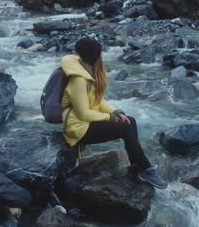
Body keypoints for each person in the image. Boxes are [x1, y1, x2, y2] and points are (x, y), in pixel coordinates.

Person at [60, 37, 168, 189]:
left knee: (129, 121)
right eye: (100, 53)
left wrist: (116, 112)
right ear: (95, 56)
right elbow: (83, 113)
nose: (102, 55)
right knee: (125, 127)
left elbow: (98, 102)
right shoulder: (79, 80)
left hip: (87, 122)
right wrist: (110, 117)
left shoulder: (87, 71)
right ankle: (144, 169)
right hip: (77, 128)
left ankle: (137, 168)